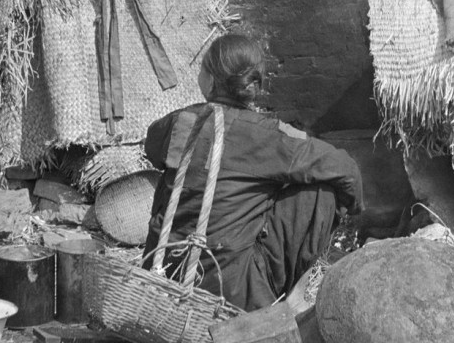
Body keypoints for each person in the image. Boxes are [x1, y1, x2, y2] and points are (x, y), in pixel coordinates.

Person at [143, 34, 364, 312]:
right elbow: (347, 170)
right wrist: (351, 212)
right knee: (322, 192)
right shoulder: (270, 136)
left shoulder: (180, 121)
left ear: (210, 81)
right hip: (229, 287)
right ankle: (270, 300)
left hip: (163, 269)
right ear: (252, 86)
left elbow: (152, 146)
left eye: (201, 69)